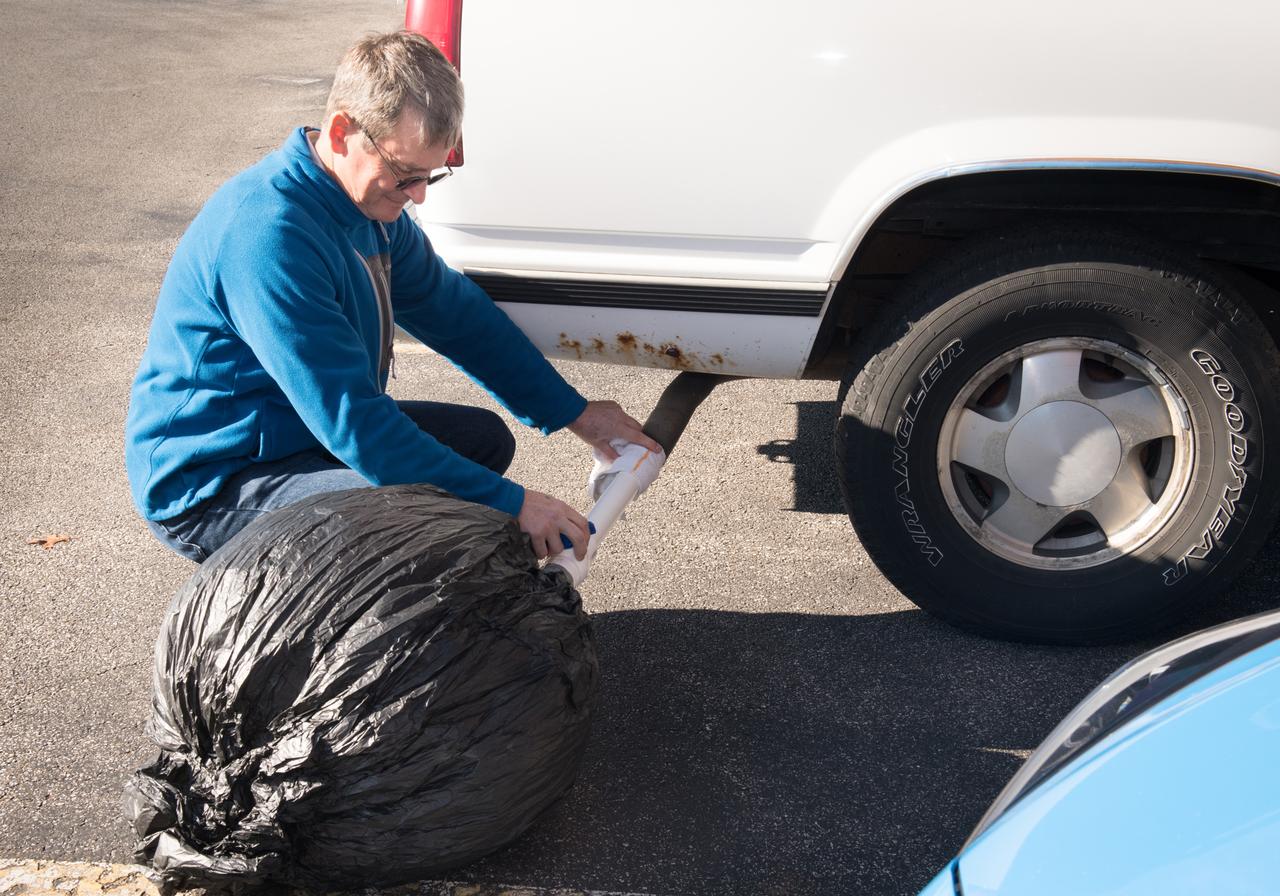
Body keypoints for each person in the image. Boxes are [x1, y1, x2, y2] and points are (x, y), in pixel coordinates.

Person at [125, 30, 659, 564]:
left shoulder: (370, 209)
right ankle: (338, 626)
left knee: (482, 442)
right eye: (405, 175)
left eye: (429, 176)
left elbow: (459, 319)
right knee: (426, 516)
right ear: (341, 133)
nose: (418, 196)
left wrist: (579, 415)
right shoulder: (268, 235)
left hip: (296, 434)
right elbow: (355, 422)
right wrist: (513, 504)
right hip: (217, 481)